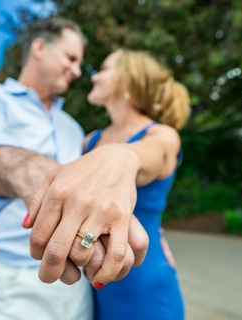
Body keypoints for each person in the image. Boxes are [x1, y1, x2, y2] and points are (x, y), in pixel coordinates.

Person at [0, 17, 149, 320]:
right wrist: (44, 180)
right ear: (40, 47)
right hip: (13, 279)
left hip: (76, 277)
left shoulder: (72, 126)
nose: (76, 71)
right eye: (71, 58)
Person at [83, 49, 190, 319]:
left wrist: (124, 156)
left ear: (126, 79)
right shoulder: (90, 141)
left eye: (104, 69)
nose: (94, 77)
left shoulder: (162, 135)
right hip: (95, 286)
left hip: (147, 287)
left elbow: (147, 158)